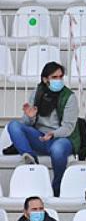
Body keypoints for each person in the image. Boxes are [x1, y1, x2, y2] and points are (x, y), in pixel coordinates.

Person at [8, 62, 78, 195]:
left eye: (60, 77)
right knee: (13, 125)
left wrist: (53, 134)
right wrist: (30, 117)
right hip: (40, 137)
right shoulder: (36, 94)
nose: (58, 80)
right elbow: (26, 124)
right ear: (45, 79)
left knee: (58, 149)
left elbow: (68, 128)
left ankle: (57, 187)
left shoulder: (69, 97)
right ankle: (31, 158)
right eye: (54, 77)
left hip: (61, 138)